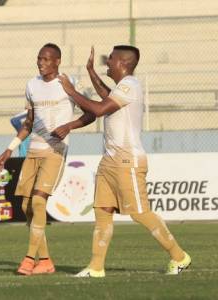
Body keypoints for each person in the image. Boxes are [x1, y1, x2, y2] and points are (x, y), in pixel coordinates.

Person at [57, 45, 191, 278]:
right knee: (102, 211)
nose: (106, 61)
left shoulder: (131, 85)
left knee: (140, 213)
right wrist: (91, 72)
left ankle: (179, 256)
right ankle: (96, 267)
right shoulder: (122, 88)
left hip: (127, 161)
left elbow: (99, 109)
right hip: (109, 160)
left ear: (122, 63)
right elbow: (106, 97)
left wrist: (70, 91)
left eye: (110, 58)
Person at [0, 43, 95, 276]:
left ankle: (29, 258)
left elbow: (91, 112)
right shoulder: (32, 85)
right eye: (39, 58)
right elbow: (29, 122)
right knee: (26, 206)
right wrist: (10, 148)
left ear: (57, 61)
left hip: (55, 150)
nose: (41, 62)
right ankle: (47, 261)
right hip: (33, 151)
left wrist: (69, 126)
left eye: (46, 59)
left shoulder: (67, 83)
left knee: (39, 202)